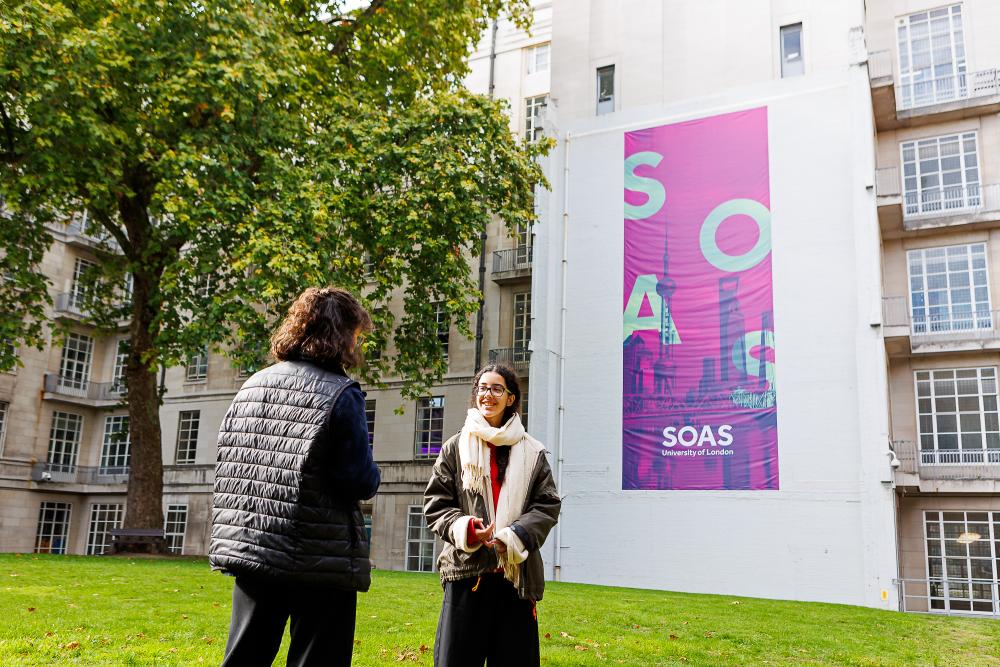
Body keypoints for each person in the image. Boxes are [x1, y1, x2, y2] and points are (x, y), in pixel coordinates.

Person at [209, 286, 380, 667]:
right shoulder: (341, 392)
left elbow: (229, 462)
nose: (358, 344)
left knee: (245, 656)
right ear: (341, 334)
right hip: (318, 555)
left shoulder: (253, 384)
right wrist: (375, 473)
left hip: (254, 545)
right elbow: (357, 479)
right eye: (357, 334)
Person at [424, 363, 561, 666]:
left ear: (510, 398)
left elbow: (548, 504)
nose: (488, 394)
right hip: (466, 574)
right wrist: (466, 528)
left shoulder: (533, 451)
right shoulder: (455, 447)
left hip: (515, 578)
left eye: (497, 388)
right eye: (482, 388)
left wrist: (515, 536)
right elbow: (435, 504)